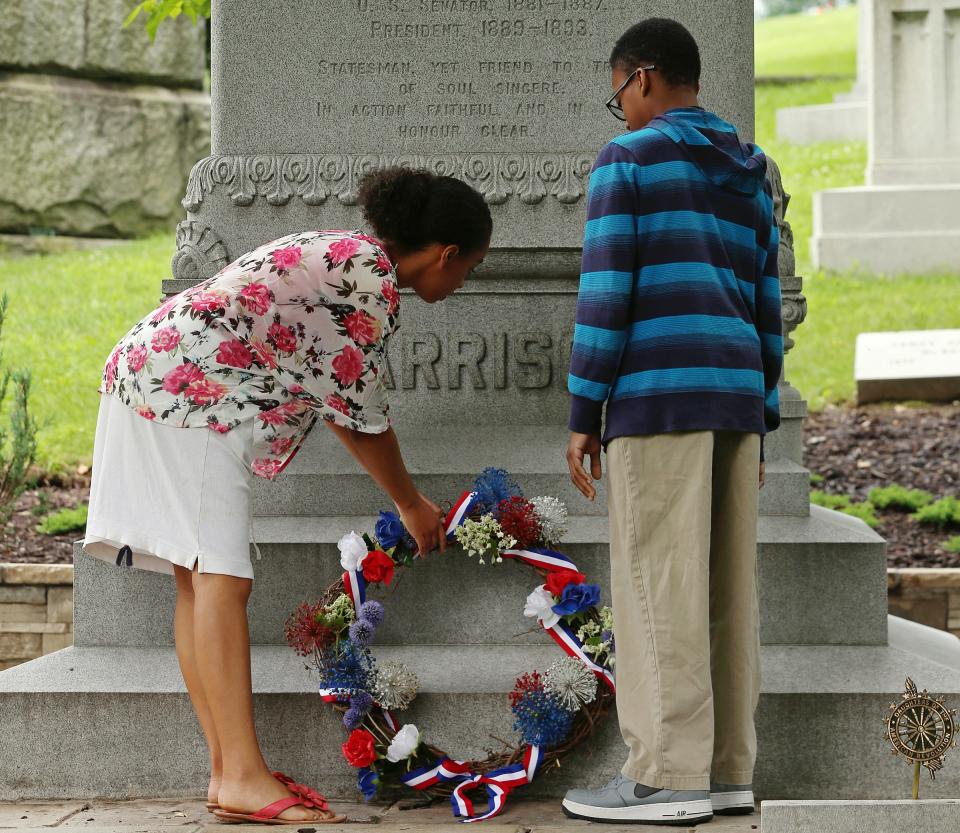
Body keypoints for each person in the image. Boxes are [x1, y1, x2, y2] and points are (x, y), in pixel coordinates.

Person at [81, 167, 492, 825]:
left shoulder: (346, 256)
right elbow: (361, 415)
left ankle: (227, 771)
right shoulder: (370, 282)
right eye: (468, 268)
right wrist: (413, 504)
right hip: (193, 394)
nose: (462, 282)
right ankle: (242, 772)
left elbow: (339, 401)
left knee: (199, 578)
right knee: (220, 580)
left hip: (152, 375)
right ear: (445, 254)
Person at [562, 17, 783, 826]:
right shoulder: (750, 170)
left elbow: (606, 294)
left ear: (644, 77)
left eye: (618, 91)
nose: (618, 110)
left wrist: (585, 410)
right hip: (733, 399)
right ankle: (727, 769)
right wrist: (763, 413)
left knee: (658, 583)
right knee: (725, 590)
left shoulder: (631, 158)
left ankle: (663, 773)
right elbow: (767, 305)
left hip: (658, 398)